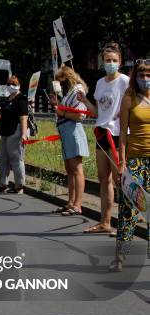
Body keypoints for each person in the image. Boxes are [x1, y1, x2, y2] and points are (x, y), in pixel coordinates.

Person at [78, 43, 129, 233]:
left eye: (114, 61)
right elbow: (98, 112)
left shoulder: (125, 81)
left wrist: (122, 116)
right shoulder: (100, 83)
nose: (111, 63)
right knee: (103, 178)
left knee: (120, 180)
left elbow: (131, 105)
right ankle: (105, 222)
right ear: (103, 62)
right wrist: (85, 101)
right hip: (101, 132)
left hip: (117, 134)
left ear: (120, 62)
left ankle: (125, 224)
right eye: (108, 61)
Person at [114, 59, 150, 269]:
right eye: (142, 75)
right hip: (135, 160)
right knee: (129, 208)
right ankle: (120, 256)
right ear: (135, 76)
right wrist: (122, 163)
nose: (145, 79)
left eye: (148, 75)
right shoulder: (129, 98)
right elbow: (123, 136)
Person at [49, 65, 89, 216]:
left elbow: (80, 115)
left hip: (73, 130)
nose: (59, 84)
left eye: (61, 80)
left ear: (67, 78)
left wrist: (61, 112)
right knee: (70, 169)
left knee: (76, 169)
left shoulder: (78, 90)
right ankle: (71, 202)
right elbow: (64, 110)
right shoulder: (69, 93)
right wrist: (56, 105)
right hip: (66, 130)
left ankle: (77, 204)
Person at [0, 75, 29, 194]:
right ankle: (3, 183)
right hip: (5, 131)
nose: (11, 86)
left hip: (16, 131)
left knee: (16, 158)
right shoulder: (8, 98)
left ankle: (19, 185)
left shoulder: (21, 98)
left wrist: (23, 134)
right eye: (9, 84)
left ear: (19, 86)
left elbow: (23, 117)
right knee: (2, 158)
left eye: (14, 84)